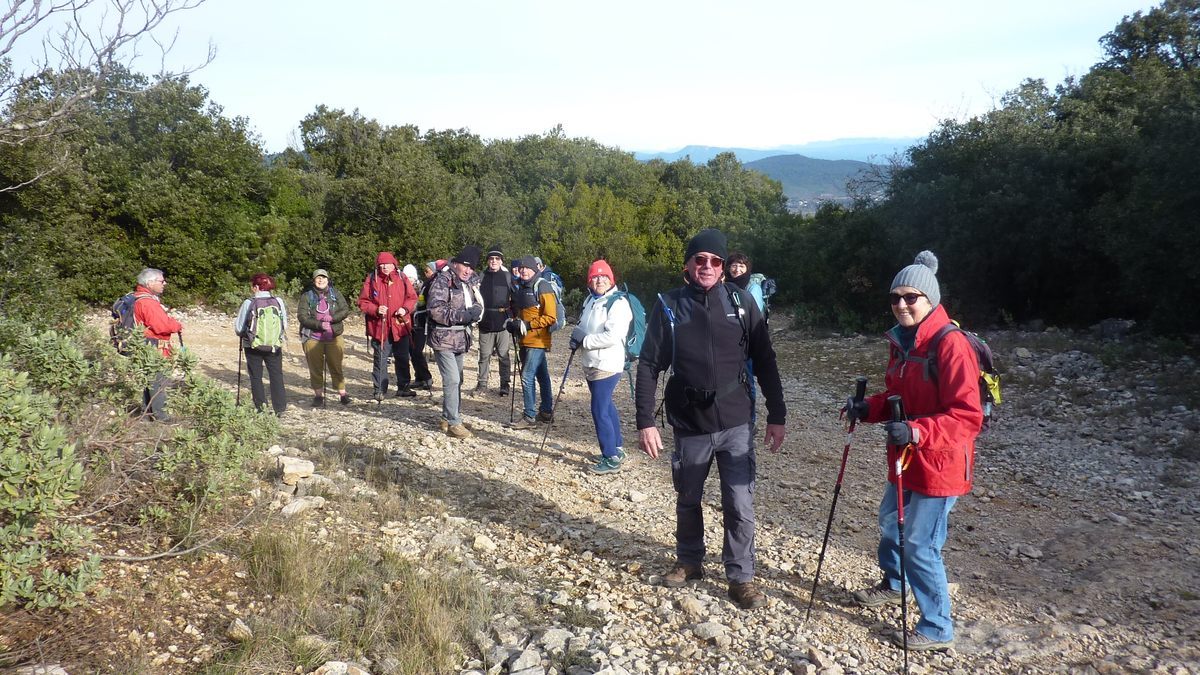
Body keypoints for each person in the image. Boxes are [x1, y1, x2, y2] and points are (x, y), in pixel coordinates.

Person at [634, 229, 787, 610]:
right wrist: (644, 421)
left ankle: (741, 578)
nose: (707, 266)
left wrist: (777, 413)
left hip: (735, 419)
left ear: (723, 267)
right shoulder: (668, 306)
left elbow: (765, 359)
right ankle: (690, 561)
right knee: (688, 497)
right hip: (689, 422)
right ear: (687, 264)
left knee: (739, 501)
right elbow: (650, 364)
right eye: (699, 259)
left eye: (715, 261)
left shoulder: (741, 303)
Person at [844, 250, 983, 652]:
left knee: (920, 543)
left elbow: (967, 416)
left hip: (941, 462)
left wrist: (918, 431)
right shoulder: (903, 341)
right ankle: (895, 582)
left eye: (911, 297)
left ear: (930, 300)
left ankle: (938, 626)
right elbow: (896, 396)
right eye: (895, 298)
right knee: (890, 521)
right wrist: (867, 408)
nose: (902, 304)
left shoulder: (951, 345)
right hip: (907, 456)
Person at [570, 259, 633, 475]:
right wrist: (577, 335)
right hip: (592, 362)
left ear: (611, 278)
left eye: (603, 276)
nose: (599, 280)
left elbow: (613, 336)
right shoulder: (591, 299)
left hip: (607, 363)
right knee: (606, 406)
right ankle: (617, 448)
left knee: (599, 409)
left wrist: (584, 341)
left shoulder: (618, 303)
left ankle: (610, 458)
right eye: (594, 277)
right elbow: (584, 324)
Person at [428, 245, 484, 438]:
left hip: (460, 338)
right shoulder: (442, 281)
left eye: (472, 267)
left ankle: (448, 416)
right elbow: (436, 310)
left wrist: (475, 311)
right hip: (443, 337)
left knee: (457, 380)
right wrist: (463, 316)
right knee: (452, 379)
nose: (468, 270)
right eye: (465, 265)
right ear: (456, 263)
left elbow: (475, 301)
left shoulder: (467, 282)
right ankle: (454, 423)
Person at [357, 252, 417, 401]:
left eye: (387, 264)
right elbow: (363, 302)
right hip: (380, 327)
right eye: (381, 264)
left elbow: (412, 298)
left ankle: (403, 387)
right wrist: (376, 310)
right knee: (381, 359)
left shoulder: (402, 278)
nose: (384, 267)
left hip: (400, 325)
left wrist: (405, 309)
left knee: (402, 357)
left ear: (394, 264)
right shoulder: (372, 279)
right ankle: (379, 390)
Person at [508, 256, 558, 430]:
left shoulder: (542, 285)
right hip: (525, 339)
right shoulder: (523, 286)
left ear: (535, 269)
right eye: (521, 268)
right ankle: (546, 412)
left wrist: (527, 325)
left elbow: (551, 317)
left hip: (537, 340)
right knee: (542, 375)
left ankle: (529, 417)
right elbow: (522, 313)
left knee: (526, 376)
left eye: (527, 268)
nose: (523, 271)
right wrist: (514, 323)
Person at [131, 267, 183, 421]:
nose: (164, 283)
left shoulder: (139, 298)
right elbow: (161, 326)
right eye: (161, 281)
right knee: (158, 380)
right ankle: (161, 416)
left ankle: (147, 414)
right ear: (150, 283)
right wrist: (176, 325)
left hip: (146, 343)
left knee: (150, 379)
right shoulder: (148, 302)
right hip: (154, 344)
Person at [234, 273, 288, 416]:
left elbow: (239, 328)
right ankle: (280, 408)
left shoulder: (249, 303)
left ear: (256, 287)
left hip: (252, 345)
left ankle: (261, 408)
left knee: (256, 376)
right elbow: (285, 325)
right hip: (274, 345)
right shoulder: (278, 301)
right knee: (276, 375)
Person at [297, 269, 352, 407]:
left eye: (323, 278)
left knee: (336, 366)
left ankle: (343, 394)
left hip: (334, 335)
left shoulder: (336, 293)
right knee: (315, 368)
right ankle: (318, 396)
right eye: (318, 278)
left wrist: (332, 318)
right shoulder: (306, 296)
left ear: (328, 280)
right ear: (314, 280)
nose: (320, 280)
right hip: (313, 337)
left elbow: (345, 310)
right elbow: (302, 316)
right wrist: (319, 324)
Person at [475, 245, 513, 396]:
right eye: (491, 258)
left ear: (501, 260)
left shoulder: (507, 276)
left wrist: (512, 317)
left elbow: (514, 298)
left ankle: (505, 384)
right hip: (485, 322)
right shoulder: (481, 276)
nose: (494, 261)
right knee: (484, 355)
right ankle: (482, 383)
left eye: (497, 258)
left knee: (504, 356)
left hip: (503, 322)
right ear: (487, 261)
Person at [402, 263, 435, 391]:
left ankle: (427, 378)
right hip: (409, 324)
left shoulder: (423, 287)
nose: (408, 280)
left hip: (422, 324)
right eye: (406, 277)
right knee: (412, 351)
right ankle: (419, 378)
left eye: (410, 277)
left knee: (417, 351)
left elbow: (423, 305)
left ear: (414, 278)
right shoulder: (402, 288)